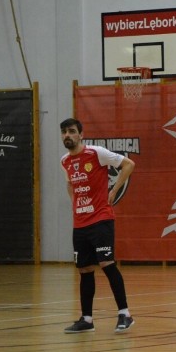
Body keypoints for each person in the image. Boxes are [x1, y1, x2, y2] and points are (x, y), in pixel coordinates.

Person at [60, 118, 135, 334]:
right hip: (80, 223)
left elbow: (129, 165)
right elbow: (69, 184)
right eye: (64, 132)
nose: (68, 135)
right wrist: (74, 203)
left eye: (72, 131)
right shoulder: (65, 161)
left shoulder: (96, 153)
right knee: (84, 269)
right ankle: (87, 319)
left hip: (101, 219)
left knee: (107, 263)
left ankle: (125, 314)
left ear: (81, 134)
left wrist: (114, 191)